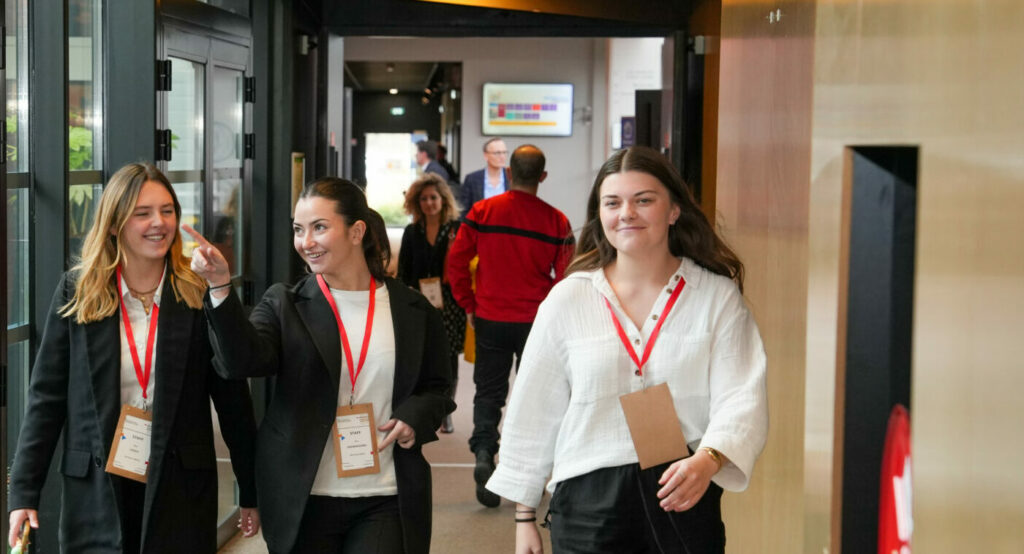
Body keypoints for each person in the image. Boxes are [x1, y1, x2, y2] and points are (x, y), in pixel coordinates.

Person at [486, 146, 769, 553]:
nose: (626, 213)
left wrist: (708, 459)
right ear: (600, 214)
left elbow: (742, 394)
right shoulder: (568, 299)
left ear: (673, 210)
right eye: (612, 202)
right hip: (587, 502)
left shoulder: (715, 297)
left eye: (644, 200)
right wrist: (524, 515)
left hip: (682, 491)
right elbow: (533, 409)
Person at [187, 177, 454, 554]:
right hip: (303, 493)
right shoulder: (285, 305)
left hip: (385, 492)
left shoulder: (412, 310)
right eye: (299, 230)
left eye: (319, 227)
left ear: (357, 231)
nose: (305, 242)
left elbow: (438, 385)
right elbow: (240, 361)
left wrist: (415, 416)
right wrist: (219, 286)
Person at [7, 162, 259, 553]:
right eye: (142, 214)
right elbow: (46, 399)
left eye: (167, 211)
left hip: (178, 481)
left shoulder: (194, 292)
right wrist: (23, 492)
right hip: (95, 481)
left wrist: (250, 488)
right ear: (113, 223)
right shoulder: (79, 292)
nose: (158, 223)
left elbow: (233, 398)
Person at [446, 144, 575, 508]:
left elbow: (456, 262)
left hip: (490, 318)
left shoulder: (483, 212)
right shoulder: (557, 221)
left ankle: (485, 452)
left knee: (488, 392)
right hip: (536, 322)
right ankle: (528, 473)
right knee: (537, 395)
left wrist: (469, 303)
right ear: (543, 177)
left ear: (509, 173)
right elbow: (567, 277)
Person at [397, 173, 466, 434]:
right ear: (417, 202)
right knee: (421, 355)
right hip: (418, 298)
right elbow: (403, 269)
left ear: (443, 200)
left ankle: (446, 411)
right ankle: (424, 408)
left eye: (433, 197)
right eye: (424, 198)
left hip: (449, 302)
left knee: (448, 358)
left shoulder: (456, 229)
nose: (429, 203)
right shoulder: (411, 232)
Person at [458, 137, 509, 219]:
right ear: (486, 155)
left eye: (504, 152)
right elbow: (464, 210)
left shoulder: (511, 178)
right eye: (497, 153)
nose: (502, 156)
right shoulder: (472, 179)